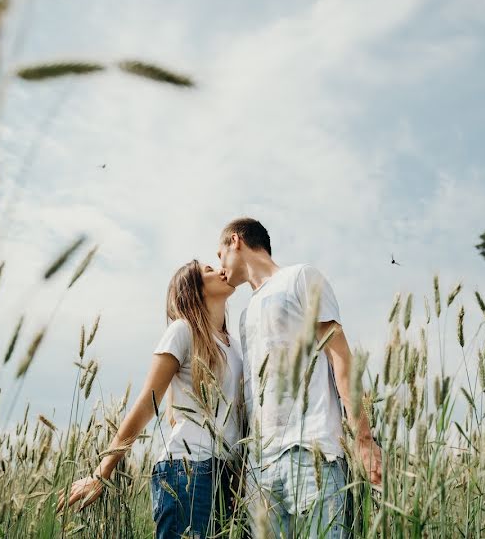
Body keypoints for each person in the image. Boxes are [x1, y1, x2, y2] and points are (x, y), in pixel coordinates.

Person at [217, 217, 383, 538]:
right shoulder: (243, 313)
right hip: (260, 465)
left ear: (236, 241)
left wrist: (363, 439)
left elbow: (341, 357)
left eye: (220, 254)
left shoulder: (300, 277)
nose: (219, 266)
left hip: (313, 452)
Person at [57, 260, 243, 539]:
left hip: (226, 477)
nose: (221, 270)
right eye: (208, 270)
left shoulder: (236, 347)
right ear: (194, 289)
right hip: (187, 471)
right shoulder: (183, 331)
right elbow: (147, 403)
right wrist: (101, 471)